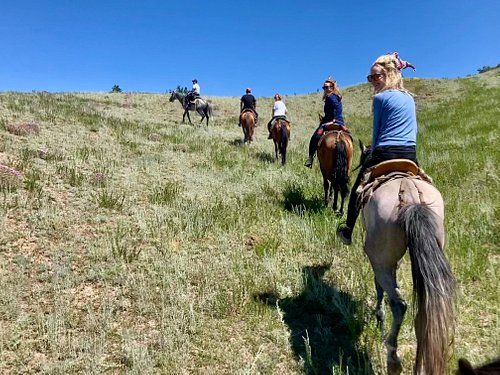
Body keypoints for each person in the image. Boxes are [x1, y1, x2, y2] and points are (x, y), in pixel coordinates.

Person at [337, 53, 419, 245]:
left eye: (377, 76)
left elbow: (377, 134)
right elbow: (413, 129)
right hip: (410, 154)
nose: (373, 81)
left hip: (385, 152)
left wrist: (372, 153)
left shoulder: (380, 98)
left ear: (389, 74)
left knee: (358, 189)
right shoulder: (409, 98)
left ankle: (348, 230)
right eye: (370, 77)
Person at [304, 78, 345, 168]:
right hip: (341, 122)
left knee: (315, 137)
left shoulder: (330, 97)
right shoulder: (338, 97)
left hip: (331, 121)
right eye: (324, 87)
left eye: (327, 87)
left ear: (332, 87)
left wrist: (333, 120)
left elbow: (335, 108)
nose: (325, 89)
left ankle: (310, 158)